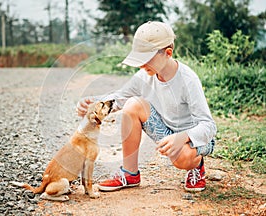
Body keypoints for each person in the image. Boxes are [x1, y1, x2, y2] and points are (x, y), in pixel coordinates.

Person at [76, 21, 216, 192]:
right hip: (165, 132)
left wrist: (182, 137)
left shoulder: (188, 80)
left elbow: (209, 126)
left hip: (194, 139)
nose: (141, 65)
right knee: (132, 104)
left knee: (182, 158)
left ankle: (197, 166)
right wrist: (93, 104)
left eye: (146, 59)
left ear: (168, 53)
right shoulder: (144, 75)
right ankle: (130, 174)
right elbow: (120, 98)